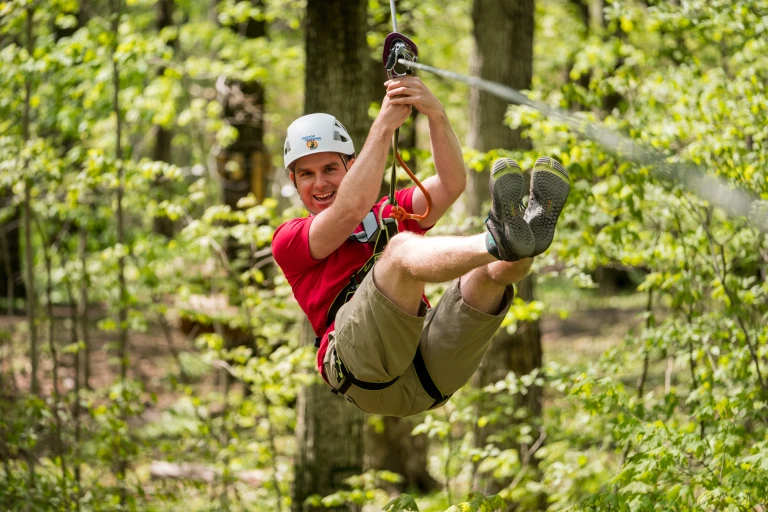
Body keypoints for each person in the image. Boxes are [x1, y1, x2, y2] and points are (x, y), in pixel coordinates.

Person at [272, 76, 570, 417]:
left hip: (429, 372)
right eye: (307, 174)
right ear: (294, 182)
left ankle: (525, 237)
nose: (321, 182)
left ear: (350, 167)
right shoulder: (290, 239)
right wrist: (383, 127)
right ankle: (501, 236)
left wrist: (436, 115)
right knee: (399, 251)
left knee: (492, 272)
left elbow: (450, 183)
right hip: (361, 372)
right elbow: (349, 210)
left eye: (329, 169)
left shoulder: (388, 212)